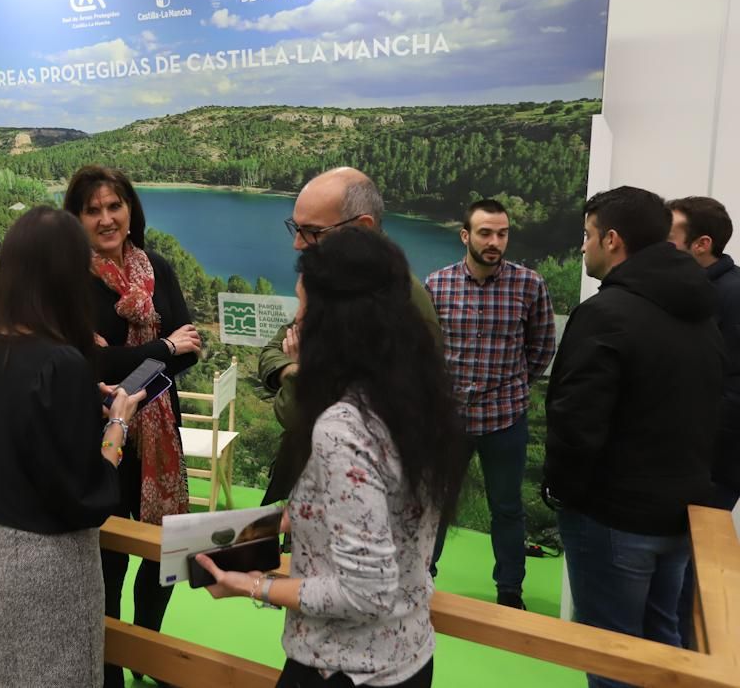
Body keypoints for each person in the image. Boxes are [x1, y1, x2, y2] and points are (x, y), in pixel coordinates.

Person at [195, 226, 465, 688]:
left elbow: (364, 593)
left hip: (341, 669)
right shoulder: (416, 400)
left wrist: (253, 585)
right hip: (410, 658)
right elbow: (370, 511)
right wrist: (263, 528)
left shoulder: (342, 425)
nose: (296, 323)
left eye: (303, 308)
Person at [0, 206, 145, 688]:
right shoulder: (62, 363)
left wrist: (75, 408)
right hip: (43, 573)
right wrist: (117, 424)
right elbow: (87, 497)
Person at [544, 187, 723, 688]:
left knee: (612, 655)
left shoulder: (607, 315)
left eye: (588, 236)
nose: (583, 247)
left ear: (613, 240)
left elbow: (575, 423)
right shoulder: (699, 311)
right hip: (678, 514)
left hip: (611, 518)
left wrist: (564, 492)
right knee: (662, 646)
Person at [62, 165, 201, 688]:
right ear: (75, 219)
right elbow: (89, 366)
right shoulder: (71, 282)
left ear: (130, 209)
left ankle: (149, 647)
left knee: (164, 550)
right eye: (92, 210)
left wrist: (137, 359)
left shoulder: (156, 266)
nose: (106, 218)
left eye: (114, 206)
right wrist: (161, 349)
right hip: (102, 435)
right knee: (111, 555)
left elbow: (189, 351)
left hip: (160, 432)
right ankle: (110, 661)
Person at [258, 167, 441, 504]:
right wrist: (294, 368)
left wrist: (298, 371)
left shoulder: (391, 306)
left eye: (312, 231)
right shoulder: (340, 286)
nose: (298, 243)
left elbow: (295, 412)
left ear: (362, 228)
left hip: (353, 497)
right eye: (295, 228)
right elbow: (271, 350)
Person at [424, 198, 556, 609]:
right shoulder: (437, 285)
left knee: (507, 509)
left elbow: (542, 347)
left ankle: (510, 593)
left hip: (505, 420)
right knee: (435, 506)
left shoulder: (529, 285)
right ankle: (421, 579)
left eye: (502, 233)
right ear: (466, 236)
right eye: (485, 233)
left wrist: (514, 386)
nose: (494, 241)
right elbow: (425, 348)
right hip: (450, 421)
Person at [666, 196, 740, 648]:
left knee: (693, 577)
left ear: (701, 244)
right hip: (691, 459)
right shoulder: (696, 291)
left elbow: (733, 388)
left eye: (670, 235)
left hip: (713, 462)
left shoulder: (731, 295)